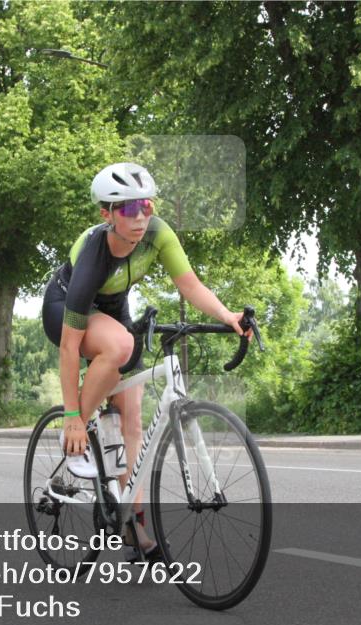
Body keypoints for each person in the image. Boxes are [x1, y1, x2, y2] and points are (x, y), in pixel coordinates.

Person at [41, 162, 248, 561]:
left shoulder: (157, 233)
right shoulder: (94, 254)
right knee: (119, 346)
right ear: (107, 214)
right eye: (128, 208)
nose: (140, 217)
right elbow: (69, 348)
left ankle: (134, 526)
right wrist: (71, 415)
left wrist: (227, 316)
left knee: (132, 416)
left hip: (114, 308)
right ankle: (78, 440)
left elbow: (189, 284)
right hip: (66, 305)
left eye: (146, 206)